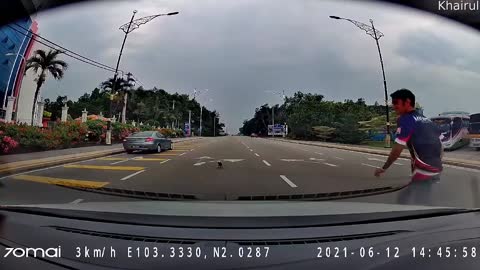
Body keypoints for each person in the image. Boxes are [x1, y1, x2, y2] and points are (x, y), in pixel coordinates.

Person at [374, 89, 443, 182]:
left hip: (423, 170)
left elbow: (397, 149)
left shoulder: (406, 120)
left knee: (406, 195)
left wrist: (384, 168)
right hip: (436, 168)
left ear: (407, 102)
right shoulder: (427, 120)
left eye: (395, 102)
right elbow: (441, 147)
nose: (394, 106)